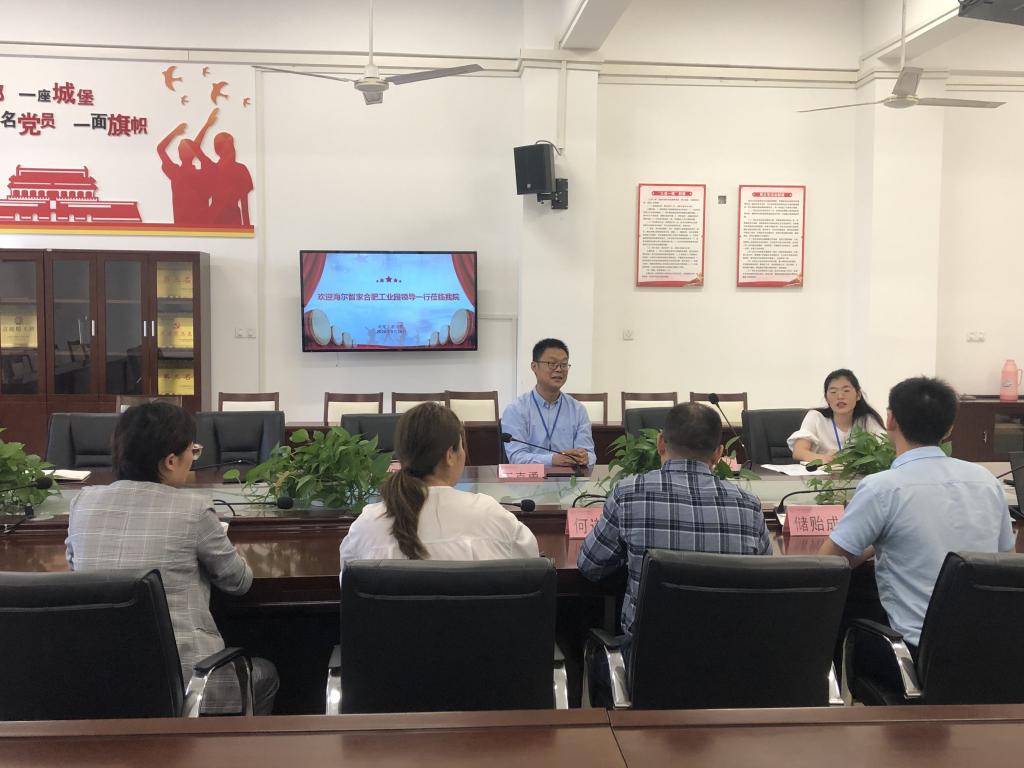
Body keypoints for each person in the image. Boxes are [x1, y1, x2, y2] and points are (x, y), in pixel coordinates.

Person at [65, 402, 278, 715]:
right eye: (192, 451)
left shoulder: (83, 503)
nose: (193, 458)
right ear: (169, 461)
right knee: (265, 674)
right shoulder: (193, 510)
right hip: (189, 686)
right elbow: (239, 582)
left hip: (102, 684)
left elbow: (75, 566)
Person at [819, 376, 1014, 651]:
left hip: (914, 651)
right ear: (949, 429)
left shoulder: (882, 488)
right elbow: (1005, 561)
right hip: (985, 647)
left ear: (890, 420)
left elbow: (827, 567)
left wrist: (874, 542)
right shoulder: (987, 481)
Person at [578, 402, 771, 666]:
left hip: (648, 665)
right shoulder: (748, 505)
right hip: (729, 665)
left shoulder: (629, 494)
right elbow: (764, 582)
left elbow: (590, 565)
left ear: (660, 443)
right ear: (718, 454)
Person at [339, 402, 538, 576]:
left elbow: (349, 585)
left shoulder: (367, 525)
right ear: (450, 455)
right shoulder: (490, 514)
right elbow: (531, 568)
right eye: (461, 446)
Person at [500, 338, 596, 467]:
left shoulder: (578, 410)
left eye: (563, 364)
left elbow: (590, 453)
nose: (559, 369)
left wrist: (585, 457)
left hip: (570, 478)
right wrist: (552, 460)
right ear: (534, 366)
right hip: (531, 479)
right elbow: (516, 458)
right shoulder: (516, 410)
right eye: (552, 363)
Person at [789, 368, 886, 463]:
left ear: (858, 395)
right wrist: (823, 458)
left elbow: (887, 447)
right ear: (826, 398)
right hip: (823, 472)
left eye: (846, 391)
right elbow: (798, 452)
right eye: (833, 392)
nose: (840, 396)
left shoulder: (867, 420)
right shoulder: (816, 417)